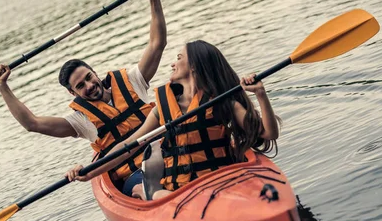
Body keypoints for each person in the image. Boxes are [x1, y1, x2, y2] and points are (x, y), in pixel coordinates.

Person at [0, 0, 167, 190]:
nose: (89, 85)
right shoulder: (80, 120)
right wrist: (3, 87)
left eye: (88, 77)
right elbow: (33, 124)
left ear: (94, 72)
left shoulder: (132, 81)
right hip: (135, 173)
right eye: (80, 85)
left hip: (169, 152)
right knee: (142, 187)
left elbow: (157, 44)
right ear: (72, 92)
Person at [65, 40, 279, 200]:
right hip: (182, 189)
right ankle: (144, 191)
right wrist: (89, 171)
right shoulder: (163, 109)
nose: (172, 64)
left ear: (193, 67)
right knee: (158, 192)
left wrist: (260, 94)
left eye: (178, 58)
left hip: (219, 177)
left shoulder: (222, 103)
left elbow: (268, 133)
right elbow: (128, 146)